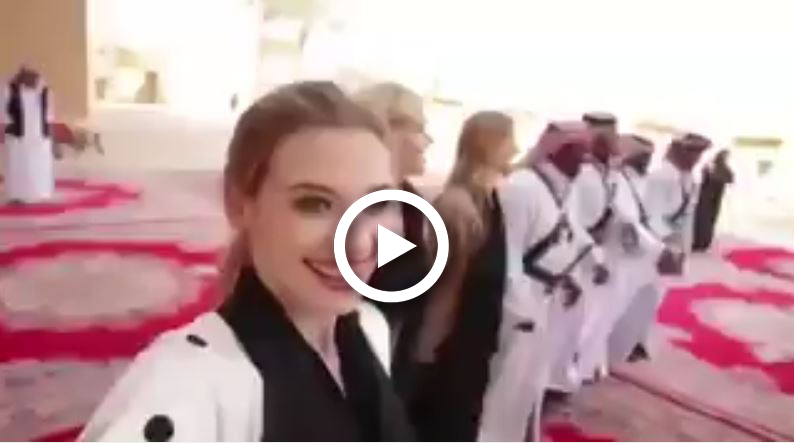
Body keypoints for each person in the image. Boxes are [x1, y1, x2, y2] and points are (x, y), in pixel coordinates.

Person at [79, 82, 416, 441]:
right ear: (239, 204)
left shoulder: (369, 328)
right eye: (315, 204)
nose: (358, 244)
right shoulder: (187, 386)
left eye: (377, 204)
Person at [482, 121, 596, 441]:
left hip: (544, 300)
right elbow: (509, 255)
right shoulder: (522, 187)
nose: (586, 160)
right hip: (518, 308)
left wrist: (568, 277)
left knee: (529, 386)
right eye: (580, 152)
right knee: (504, 388)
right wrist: (520, 312)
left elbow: (566, 237)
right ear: (557, 150)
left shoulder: (561, 188)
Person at [408, 111, 516, 441]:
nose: (515, 149)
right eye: (509, 141)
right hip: (449, 349)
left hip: (474, 343)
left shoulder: (489, 201)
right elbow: (442, 283)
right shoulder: (457, 206)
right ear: (489, 145)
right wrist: (428, 348)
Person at [355, 82, 433, 391]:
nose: (429, 141)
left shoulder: (412, 203)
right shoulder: (354, 201)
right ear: (391, 129)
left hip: (394, 366)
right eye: (420, 129)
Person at [603, 134, 679, 365]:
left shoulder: (647, 181)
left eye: (650, 156)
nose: (647, 160)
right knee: (615, 307)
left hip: (649, 254)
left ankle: (630, 347)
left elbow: (654, 216)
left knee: (644, 304)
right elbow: (628, 219)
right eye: (643, 156)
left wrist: (667, 242)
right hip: (623, 255)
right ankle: (603, 357)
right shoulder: (618, 180)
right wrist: (658, 248)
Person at [1, 66, 55, 204]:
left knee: (38, 165)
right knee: (18, 165)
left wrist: (49, 134)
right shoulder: (10, 90)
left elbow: (49, 114)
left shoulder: (44, 91)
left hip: (39, 136)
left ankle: (40, 192)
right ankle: (17, 194)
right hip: (17, 136)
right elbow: (4, 113)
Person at [692, 149, 734, 251]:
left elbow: (730, 179)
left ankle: (702, 243)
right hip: (707, 198)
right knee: (704, 220)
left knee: (706, 221)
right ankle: (700, 242)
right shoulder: (714, 167)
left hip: (711, 198)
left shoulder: (721, 168)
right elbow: (728, 178)